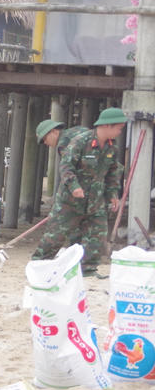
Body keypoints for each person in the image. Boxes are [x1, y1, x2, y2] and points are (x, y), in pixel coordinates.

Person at [31, 108, 127, 275]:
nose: (120, 132)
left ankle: (88, 268)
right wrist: (74, 186)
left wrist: (112, 194)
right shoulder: (80, 141)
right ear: (107, 126)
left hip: (95, 199)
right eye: (119, 128)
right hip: (71, 200)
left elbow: (113, 172)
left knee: (97, 234)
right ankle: (39, 264)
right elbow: (66, 167)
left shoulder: (112, 147)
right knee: (56, 234)